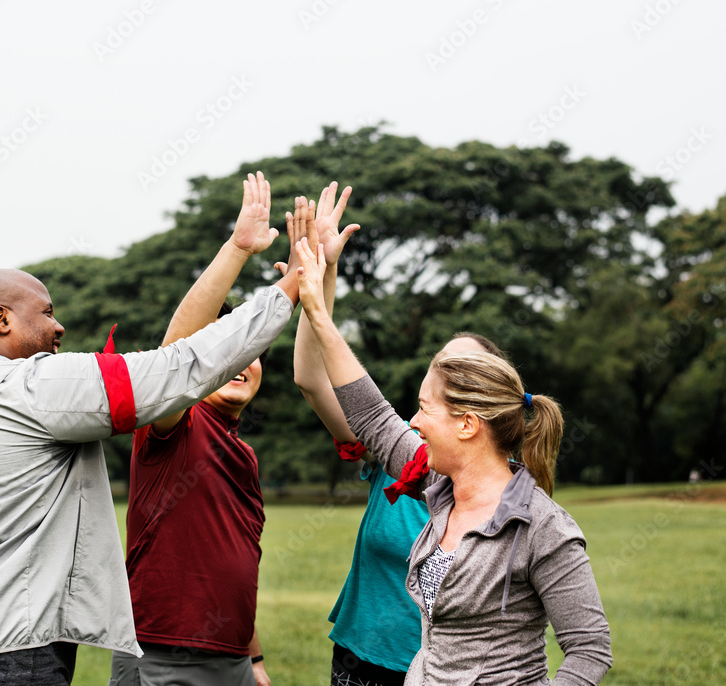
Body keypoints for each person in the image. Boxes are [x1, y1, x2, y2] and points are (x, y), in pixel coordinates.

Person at [0, 170, 313, 685]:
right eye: (46, 313)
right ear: (1, 319)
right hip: (10, 659)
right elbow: (179, 367)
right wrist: (291, 286)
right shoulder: (39, 385)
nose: (59, 327)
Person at [293, 236, 613, 685]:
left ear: (467, 424)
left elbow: (589, 648)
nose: (413, 422)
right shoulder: (434, 484)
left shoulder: (544, 528)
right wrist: (318, 309)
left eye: (425, 409)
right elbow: (369, 412)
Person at [291, 185, 508, 685]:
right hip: (360, 660)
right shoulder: (398, 451)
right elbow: (311, 377)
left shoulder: (511, 495)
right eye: (443, 366)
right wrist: (321, 274)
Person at [109, 174, 315, 686]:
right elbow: (172, 357)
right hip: (164, 652)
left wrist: (255, 658)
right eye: (227, 354)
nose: (242, 364)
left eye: (252, 355)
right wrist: (239, 248)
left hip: (231, 658)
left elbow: (232, 564)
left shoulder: (242, 452)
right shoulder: (174, 423)